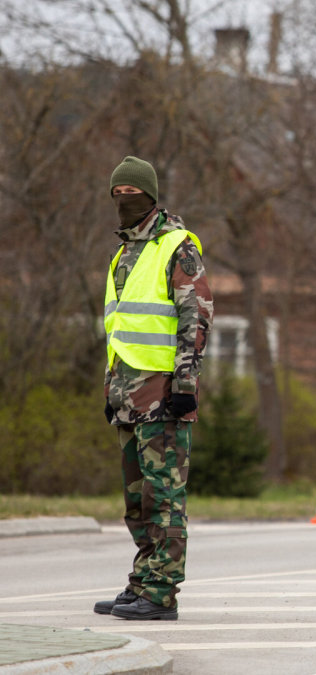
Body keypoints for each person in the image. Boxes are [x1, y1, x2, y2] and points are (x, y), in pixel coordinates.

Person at [95, 156, 213, 621]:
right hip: (127, 395)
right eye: (117, 194)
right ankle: (143, 580)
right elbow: (121, 329)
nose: (124, 201)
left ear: (150, 196)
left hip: (164, 395)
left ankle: (161, 593)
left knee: (164, 498)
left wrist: (185, 383)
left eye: (132, 194)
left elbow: (196, 316)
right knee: (137, 499)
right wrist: (112, 391)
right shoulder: (124, 253)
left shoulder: (176, 247)